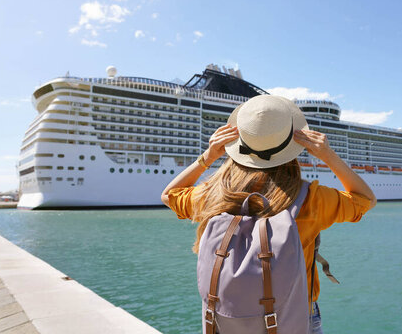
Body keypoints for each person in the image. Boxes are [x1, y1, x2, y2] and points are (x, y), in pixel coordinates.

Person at [161, 94, 377, 333]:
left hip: (227, 321)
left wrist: (209, 156)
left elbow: (169, 195)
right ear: (292, 148)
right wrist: (328, 155)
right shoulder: (311, 199)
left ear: (237, 146)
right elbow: (365, 199)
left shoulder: (214, 194)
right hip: (296, 317)